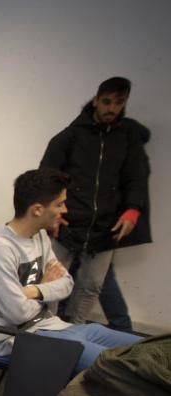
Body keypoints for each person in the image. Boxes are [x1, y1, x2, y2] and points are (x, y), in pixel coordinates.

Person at [0, 169, 140, 373]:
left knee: (145, 348)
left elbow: (67, 283)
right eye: (59, 204)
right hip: (18, 338)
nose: (65, 210)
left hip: (52, 325)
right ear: (37, 210)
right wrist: (45, 286)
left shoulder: (40, 236)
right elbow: (17, 313)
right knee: (126, 367)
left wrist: (33, 290)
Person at [40, 76, 150, 325]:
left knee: (90, 288)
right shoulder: (72, 135)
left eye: (118, 102)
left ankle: (76, 334)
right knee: (52, 284)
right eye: (107, 101)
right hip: (67, 223)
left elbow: (136, 176)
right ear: (96, 100)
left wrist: (133, 210)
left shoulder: (127, 138)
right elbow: (47, 175)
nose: (111, 108)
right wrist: (52, 214)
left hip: (106, 226)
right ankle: (46, 332)